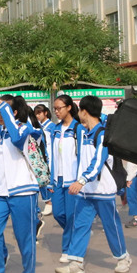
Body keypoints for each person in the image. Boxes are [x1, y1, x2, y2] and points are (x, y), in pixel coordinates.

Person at [55, 95, 131, 273]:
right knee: (80, 225)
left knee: (111, 225)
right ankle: (76, 264)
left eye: (79, 110)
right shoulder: (82, 132)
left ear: (84, 112)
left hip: (102, 190)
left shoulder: (103, 133)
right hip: (86, 191)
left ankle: (123, 258)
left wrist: (81, 180)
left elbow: (98, 162)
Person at [0, 95, 42, 273]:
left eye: (4, 111)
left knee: (24, 235)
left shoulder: (27, 129)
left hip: (23, 190)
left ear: (14, 112)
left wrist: (7, 114)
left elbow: (17, 140)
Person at [49, 94, 84, 263]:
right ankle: (77, 232)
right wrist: (51, 178)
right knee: (58, 213)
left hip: (73, 179)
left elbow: (83, 156)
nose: (56, 112)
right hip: (58, 179)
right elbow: (53, 156)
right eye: (54, 109)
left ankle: (67, 248)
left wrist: (81, 179)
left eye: (59, 108)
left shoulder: (79, 129)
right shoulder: (55, 129)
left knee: (70, 215)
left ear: (69, 107)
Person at [34, 104, 56, 216]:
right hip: (42, 156)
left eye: (39, 113)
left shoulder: (51, 127)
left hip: (49, 156)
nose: (37, 115)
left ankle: (50, 202)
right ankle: (48, 202)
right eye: (36, 114)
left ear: (45, 113)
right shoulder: (39, 127)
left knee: (48, 180)